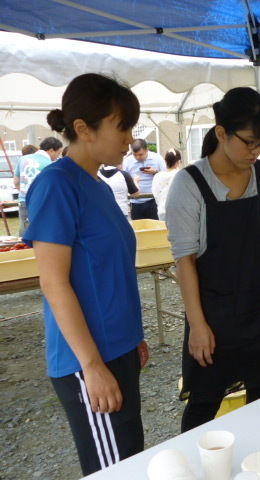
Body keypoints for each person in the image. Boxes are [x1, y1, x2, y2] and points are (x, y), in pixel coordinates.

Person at [21, 73, 148, 476]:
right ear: (83, 129)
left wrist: (133, 337)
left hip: (117, 348)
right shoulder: (57, 184)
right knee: (115, 467)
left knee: (129, 452)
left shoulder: (97, 184)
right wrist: (92, 366)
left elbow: (109, 272)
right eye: (122, 127)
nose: (130, 138)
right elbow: (52, 282)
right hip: (87, 358)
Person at [165, 87, 260, 432]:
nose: (256, 152)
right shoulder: (190, 183)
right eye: (250, 143)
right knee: (204, 400)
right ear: (222, 133)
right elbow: (185, 259)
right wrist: (197, 325)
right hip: (216, 312)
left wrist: (246, 244)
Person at [13, 137, 63, 236]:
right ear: (51, 150)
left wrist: (25, 193)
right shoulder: (51, 165)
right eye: (58, 153)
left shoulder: (23, 159)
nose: (58, 156)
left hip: (24, 200)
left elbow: (16, 181)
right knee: (42, 234)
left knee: (25, 232)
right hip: (42, 202)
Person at [122, 138, 166, 220]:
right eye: (134, 154)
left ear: (147, 150)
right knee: (139, 229)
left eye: (140, 154)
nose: (138, 157)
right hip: (136, 201)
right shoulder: (127, 161)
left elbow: (165, 177)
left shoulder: (157, 158)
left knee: (155, 228)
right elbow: (124, 181)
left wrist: (155, 172)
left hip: (153, 199)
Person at [152, 148, 182, 221]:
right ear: (179, 162)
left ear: (165, 161)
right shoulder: (180, 174)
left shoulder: (157, 176)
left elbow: (155, 193)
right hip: (178, 211)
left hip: (162, 210)